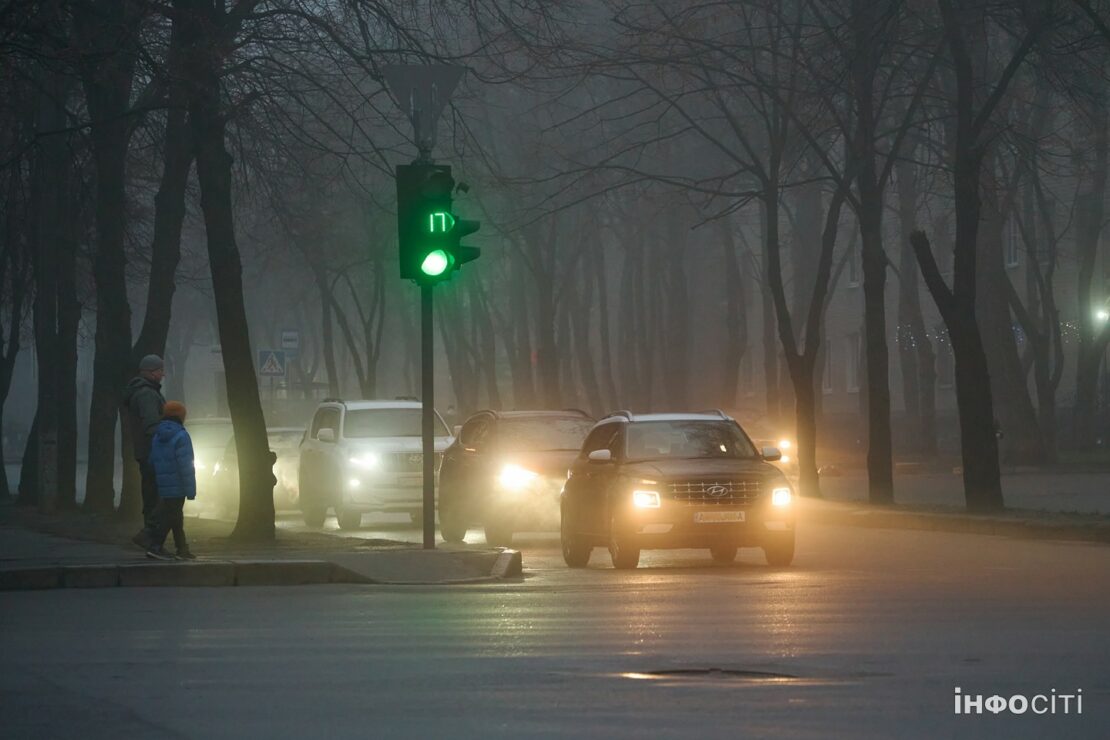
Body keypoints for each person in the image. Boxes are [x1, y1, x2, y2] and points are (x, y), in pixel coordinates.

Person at [123, 354, 166, 545]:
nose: (162, 374)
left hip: (146, 452)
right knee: (158, 498)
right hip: (153, 454)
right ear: (151, 372)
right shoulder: (147, 394)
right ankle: (151, 537)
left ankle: (152, 538)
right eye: (160, 371)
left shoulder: (141, 391)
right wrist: (169, 437)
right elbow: (152, 426)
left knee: (151, 495)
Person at [145, 401, 197, 561]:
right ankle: (156, 546)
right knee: (172, 517)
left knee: (175, 516)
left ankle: (182, 549)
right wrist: (191, 490)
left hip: (163, 483)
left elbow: (152, 461)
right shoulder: (181, 435)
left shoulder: (158, 435)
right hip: (178, 484)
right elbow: (186, 466)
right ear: (181, 416)